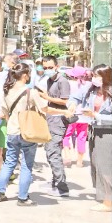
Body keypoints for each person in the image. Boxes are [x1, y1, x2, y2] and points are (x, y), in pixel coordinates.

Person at [0, 64, 51, 206]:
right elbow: (44, 108)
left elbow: (5, 113)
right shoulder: (30, 92)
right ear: (25, 75)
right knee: (26, 165)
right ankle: (23, 197)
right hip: (27, 132)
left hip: (12, 130)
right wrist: (63, 111)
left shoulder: (6, 91)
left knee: (9, 163)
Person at [68, 64, 112, 212]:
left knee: (105, 165)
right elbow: (75, 96)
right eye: (93, 76)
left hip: (107, 133)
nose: (94, 79)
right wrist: (73, 104)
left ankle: (109, 202)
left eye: (97, 76)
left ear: (106, 76)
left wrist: (96, 115)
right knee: (96, 164)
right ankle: (103, 196)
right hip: (94, 130)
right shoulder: (91, 89)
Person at [36, 55, 71, 197]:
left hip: (59, 120)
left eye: (50, 67)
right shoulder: (49, 80)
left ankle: (62, 187)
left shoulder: (63, 81)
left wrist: (47, 98)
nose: (48, 70)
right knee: (51, 152)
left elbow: (64, 101)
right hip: (50, 119)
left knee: (53, 153)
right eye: (45, 68)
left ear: (56, 66)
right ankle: (55, 182)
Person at [63, 66, 89, 168]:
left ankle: (67, 156)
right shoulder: (89, 85)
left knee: (66, 135)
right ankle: (80, 161)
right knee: (81, 138)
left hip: (71, 114)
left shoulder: (69, 84)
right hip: (84, 116)